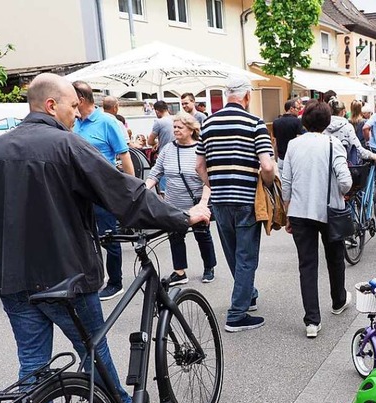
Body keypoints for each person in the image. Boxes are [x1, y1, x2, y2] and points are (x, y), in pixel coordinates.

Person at [0, 73, 210, 403]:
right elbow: (124, 193)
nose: (76, 115)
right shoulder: (66, 145)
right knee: (94, 350)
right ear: (51, 105)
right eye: (71, 107)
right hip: (65, 274)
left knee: (33, 365)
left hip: (12, 276)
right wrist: (183, 217)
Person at [196, 75, 275, 332]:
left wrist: (214, 184)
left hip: (220, 200)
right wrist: (268, 184)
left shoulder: (207, 123)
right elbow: (267, 165)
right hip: (246, 199)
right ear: (247, 96)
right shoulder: (254, 123)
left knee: (232, 253)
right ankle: (236, 314)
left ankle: (248, 294)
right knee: (246, 257)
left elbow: (198, 166)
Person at [281, 100, 353, 338]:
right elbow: (346, 180)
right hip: (329, 210)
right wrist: (342, 192)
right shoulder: (333, 143)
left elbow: (287, 183)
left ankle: (312, 321)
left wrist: (287, 209)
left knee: (307, 265)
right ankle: (338, 301)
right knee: (335, 257)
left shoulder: (293, 144)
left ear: (304, 120)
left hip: (300, 212)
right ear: (327, 121)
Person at [73, 80, 134, 301]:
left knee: (109, 237)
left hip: (102, 190)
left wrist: (132, 190)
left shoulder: (107, 122)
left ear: (80, 99)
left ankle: (115, 281)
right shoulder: (74, 123)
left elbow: (124, 155)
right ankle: (93, 278)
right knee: (86, 238)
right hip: (80, 191)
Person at [146, 113, 217, 285]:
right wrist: (144, 189)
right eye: (174, 127)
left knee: (202, 235)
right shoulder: (168, 149)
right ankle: (179, 272)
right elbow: (156, 172)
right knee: (175, 237)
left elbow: (209, 180)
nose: (176, 130)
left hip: (196, 204)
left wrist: (203, 204)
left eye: (180, 127)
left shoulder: (200, 149)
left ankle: (209, 267)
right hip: (173, 204)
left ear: (191, 129)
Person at [324, 97, 376, 165]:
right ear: (343, 111)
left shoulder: (323, 126)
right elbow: (358, 149)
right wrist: (372, 155)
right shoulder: (347, 127)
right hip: (343, 165)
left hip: (325, 165)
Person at [272, 99, 305, 174]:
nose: (299, 111)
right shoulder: (297, 122)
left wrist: (276, 157)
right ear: (291, 109)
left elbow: (275, 142)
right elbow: (300, 141)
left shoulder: (276, 122)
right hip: (294, 159)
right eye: (298, 108)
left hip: (281, 158)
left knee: (283, 183)